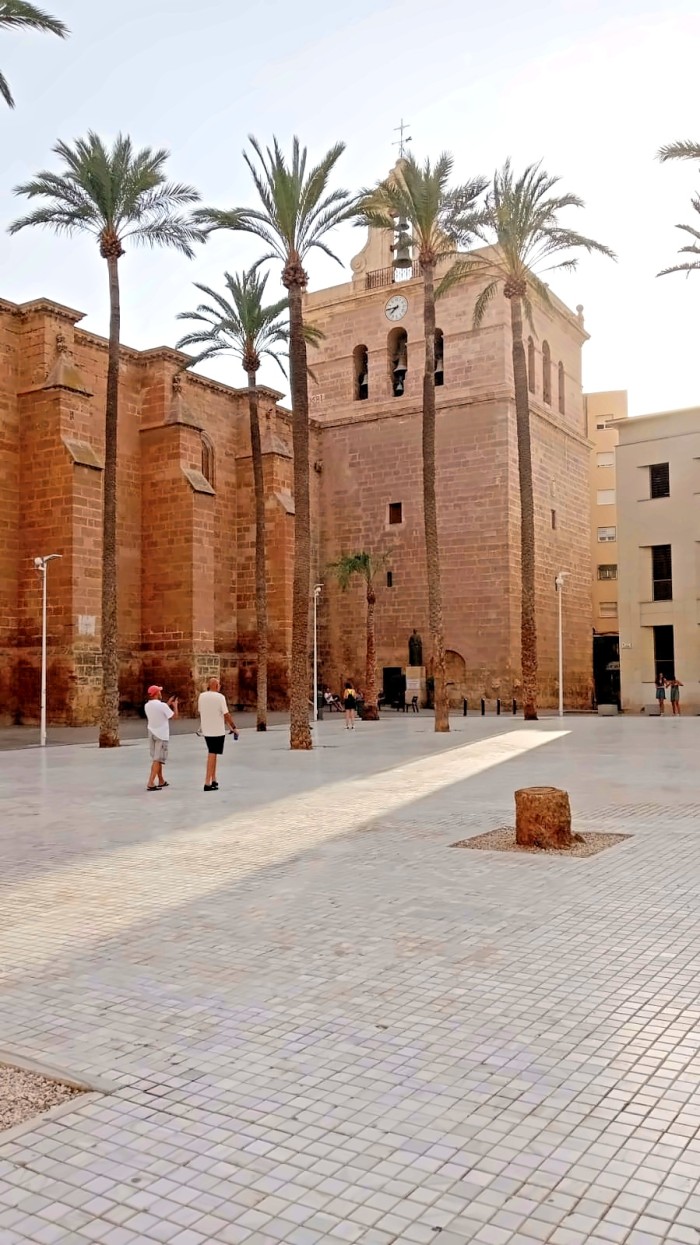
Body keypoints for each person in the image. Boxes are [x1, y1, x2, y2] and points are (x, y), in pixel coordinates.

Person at [197, 677, 237, 791]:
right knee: (212, 754)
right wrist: (234, 727)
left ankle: (214, 779)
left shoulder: (202, 696)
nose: (220, 686)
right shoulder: (220, 697)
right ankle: (207, 782)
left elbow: (202, 711)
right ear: (216, 686)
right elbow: (226, 714)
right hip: (217, 730)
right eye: (219, 684)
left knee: (213, 754)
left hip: (207, 729)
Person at [144, 685, 178, 791]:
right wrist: (175, 705)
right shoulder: (162, 705)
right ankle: (150, 782)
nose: (160, 693)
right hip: (161, 734)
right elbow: (174, 717)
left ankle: (161, 780)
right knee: (157, 760)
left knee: (156, 758)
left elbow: (160, 710)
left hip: (152, 732)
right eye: (159, 691)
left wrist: (167, 703)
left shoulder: (147, 705)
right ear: (156, 694)